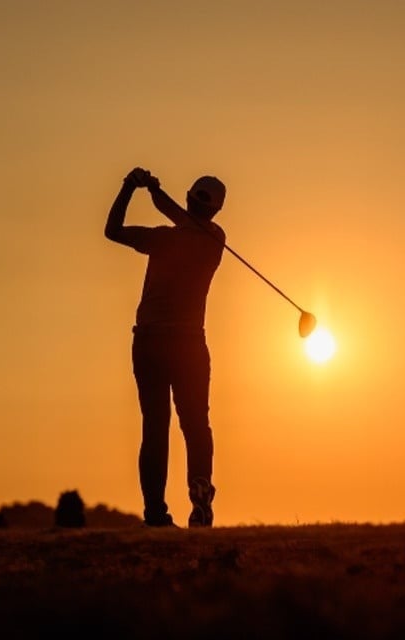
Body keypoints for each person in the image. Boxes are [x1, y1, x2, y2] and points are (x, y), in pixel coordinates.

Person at [104, 166, 227, 528]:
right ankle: (200, 491)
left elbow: (112, 230)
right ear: (216, 211)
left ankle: (155, 513)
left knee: (155, 427)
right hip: (189, 342)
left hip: (150, 341)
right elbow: (180, 214)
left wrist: (132, 187)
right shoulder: (215, 239)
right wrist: (155, 191)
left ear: (190, 200)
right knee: (195, 424)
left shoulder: (162, 240)